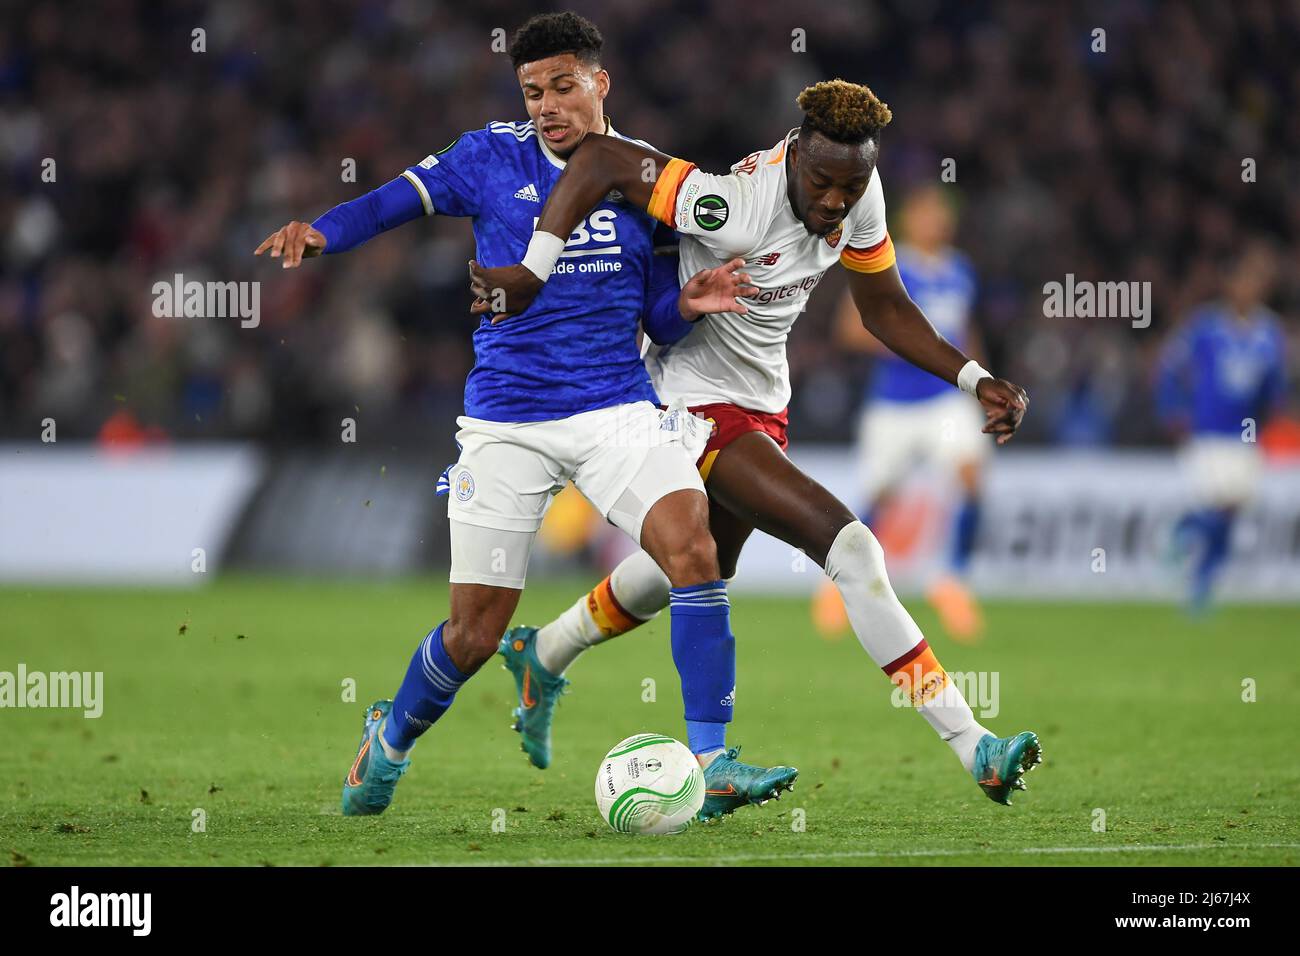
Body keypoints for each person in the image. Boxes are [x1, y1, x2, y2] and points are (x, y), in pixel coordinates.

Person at [254, 12, 797, 819]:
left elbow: (654, 315)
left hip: (617, 406)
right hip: (508, 418)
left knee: (694, 549)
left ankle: (712, 758)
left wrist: (684, 301)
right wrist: (321, 234)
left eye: (562, 86)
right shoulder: (486, 156)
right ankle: (391, 737)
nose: (546, 104)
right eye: (533, 90)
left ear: (599, 82)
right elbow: (392, 202)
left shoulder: (646, 175)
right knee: (473, 635)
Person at [472, 79, 1043, 807]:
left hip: (763, 406)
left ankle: (544, 652)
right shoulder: (730, 204)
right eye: (823, 182)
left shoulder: (856, 195)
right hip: (692, 402)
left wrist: (973, 377)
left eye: (852, 185)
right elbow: (602, 161)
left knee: (690, 567)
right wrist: (534, 265)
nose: (836, 201)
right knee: (852, 549)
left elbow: (884, 307)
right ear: (795, 154)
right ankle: (976, 747)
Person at [816, 184, 990, 643]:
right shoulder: (889, 264)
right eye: (925, 213)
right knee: (877, 501)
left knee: (972, 477)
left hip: (944, 400)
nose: (933, 222)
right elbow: (849, 329)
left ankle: (952, 581)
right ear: (909, 220)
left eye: (940, 214)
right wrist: (910, 347)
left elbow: (964, 334)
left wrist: (979, 382)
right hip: (893, 403)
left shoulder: (960, 271)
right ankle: (838, 583)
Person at [1157, 243, 1287, 612]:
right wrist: (1173, 410)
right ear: (1229, 285)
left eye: (1256, 282)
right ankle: (1182, 534)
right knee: (1216, 507)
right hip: (1208, 431)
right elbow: (1170, 367)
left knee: (1232, 512)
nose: (1248, 288)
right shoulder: (1205, 328)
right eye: (1243, 280)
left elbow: (1274, 385)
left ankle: (1200, 585)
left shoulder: (1269, 333)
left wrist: (1273, 412)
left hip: (1245, 434)